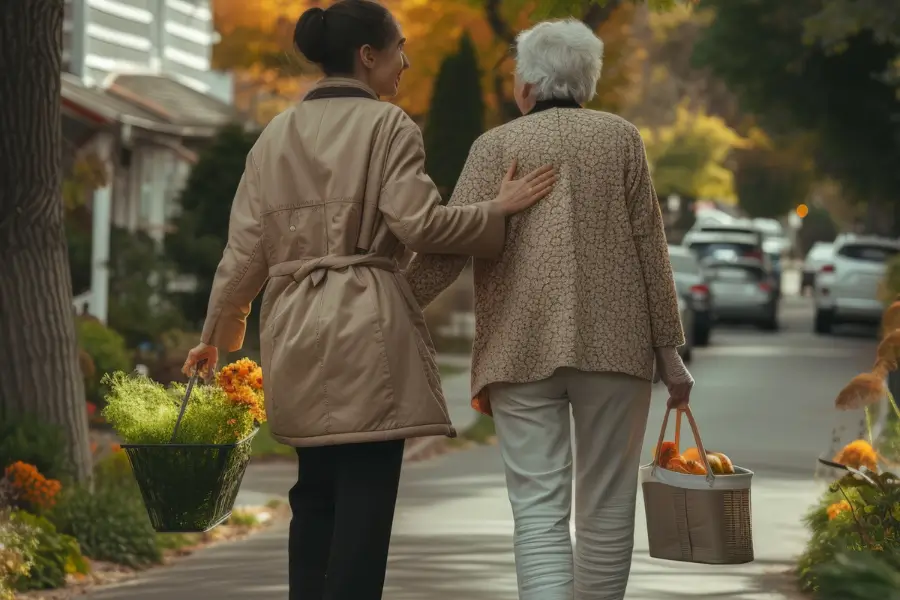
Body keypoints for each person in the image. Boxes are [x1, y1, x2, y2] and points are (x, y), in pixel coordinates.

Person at [180, 2, 557, 599]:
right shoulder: (390, 126)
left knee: (314, 491)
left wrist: (215, 338)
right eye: (399, 48)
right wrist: (496, 212)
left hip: (294, 323)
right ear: (368, 56)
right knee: (367, 494)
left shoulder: (275, 135)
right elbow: (421, 226)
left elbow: (244, 251)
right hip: (367, 323)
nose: (406, 61)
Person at [404, 19, 694, 600]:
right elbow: (649, 245)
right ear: (585, 83)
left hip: (520, 346)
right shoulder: (621, 139)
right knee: (608, 502)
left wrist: (393, 301)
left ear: (527, 86)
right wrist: (670, 352)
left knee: (537, 506)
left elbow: (453, 241)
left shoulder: (496, 145)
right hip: (615, 346)